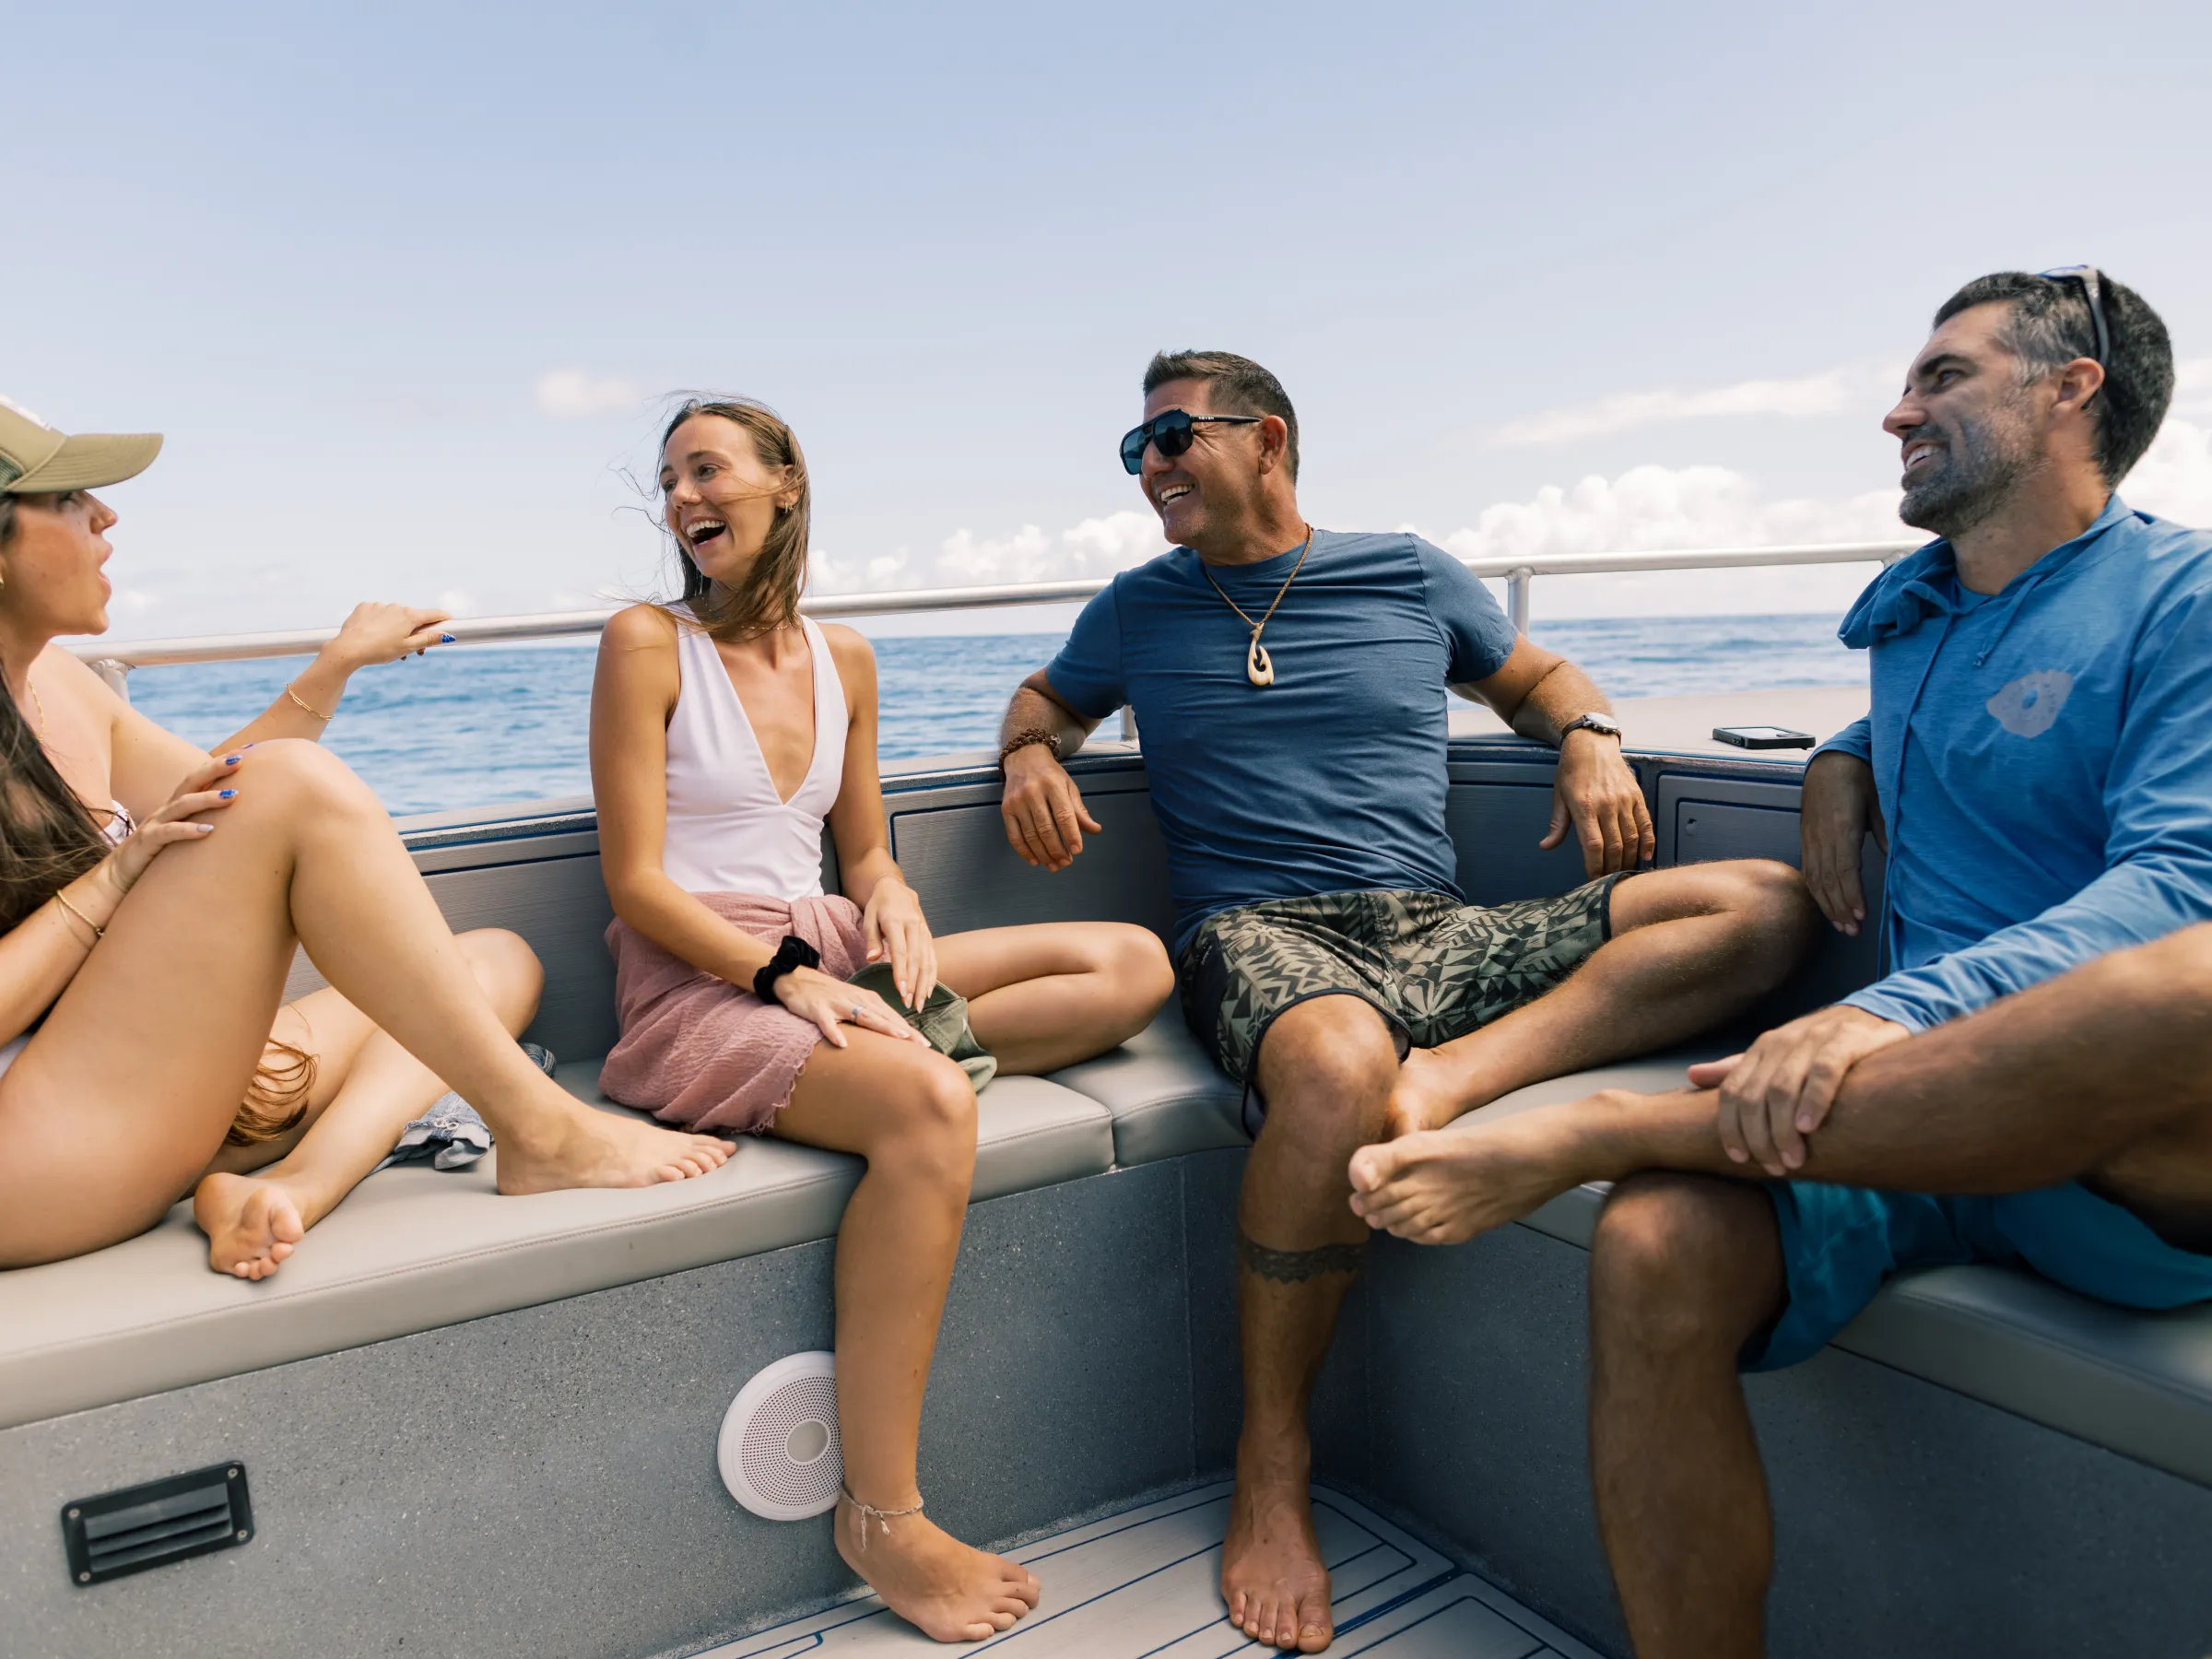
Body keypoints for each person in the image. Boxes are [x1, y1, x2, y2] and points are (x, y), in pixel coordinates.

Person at [1346, 269, 2212, 1658]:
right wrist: (1842, 754)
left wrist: (1897, 1013)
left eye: (1943, 377)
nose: (1898, 412)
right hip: (1916, 1139)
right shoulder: (1917, 617)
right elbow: (1997, 696)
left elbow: (2182, 883)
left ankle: (1608, 1126)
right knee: (1654, 1242)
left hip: (2126, 1142)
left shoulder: (2186, 596)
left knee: (2193, 981)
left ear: (2073, 390)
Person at [995, 351, 1819, 1653]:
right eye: (1135, 449)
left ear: (1266, 440)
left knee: (1762, 903)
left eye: (1171, 438)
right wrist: (1031, 753)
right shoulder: (1139, 605)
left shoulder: (1408, 572)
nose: (1149, 468)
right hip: (1258, 934)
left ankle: (1447, 1079)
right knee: (1336, 1068)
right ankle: (1273, 1463)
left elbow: (1539, 680)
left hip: (1438, 930)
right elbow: (1048, 699)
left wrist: (1590, 738)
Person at [590, 397, 1172, 1643]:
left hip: (832, 948)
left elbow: (861, 848)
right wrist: (780, 979)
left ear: (786, 483)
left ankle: (887, 1053)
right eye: (670, 481)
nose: (684, 498)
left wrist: (894, 900)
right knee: (928, 1107)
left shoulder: (844, 657)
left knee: (1130, 965)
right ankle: (882, 1516)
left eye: (708, 470)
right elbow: (635, 881)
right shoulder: (646, 643)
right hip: (701, 977)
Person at [0, 398, 734, 1276]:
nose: (105, 516)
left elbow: (223, 800)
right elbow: (265, 795)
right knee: (295, 785)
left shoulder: (59, 682)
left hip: (127, 1097)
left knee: (495, 963)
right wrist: (115, 878)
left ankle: (295, 1188)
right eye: (68, 497)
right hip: (32, 1157)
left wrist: (336, 665)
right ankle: (540, 1129)